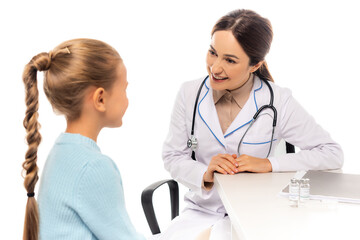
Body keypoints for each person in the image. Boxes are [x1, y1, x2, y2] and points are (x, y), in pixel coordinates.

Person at [160, 9, 343, 240]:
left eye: (230, 60)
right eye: (212, 52)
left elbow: (331, 153)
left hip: (253, 213)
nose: (215, 68)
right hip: (200, 212)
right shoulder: (189, 93)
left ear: (255, 65)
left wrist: (268, 163)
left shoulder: (278, 100)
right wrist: (205, 173)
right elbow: (173, 156)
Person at [22, 39, 145, 240]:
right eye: (124, 89)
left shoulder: (60, 151)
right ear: (100, 99)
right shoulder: (94, 167)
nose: (127, 99)